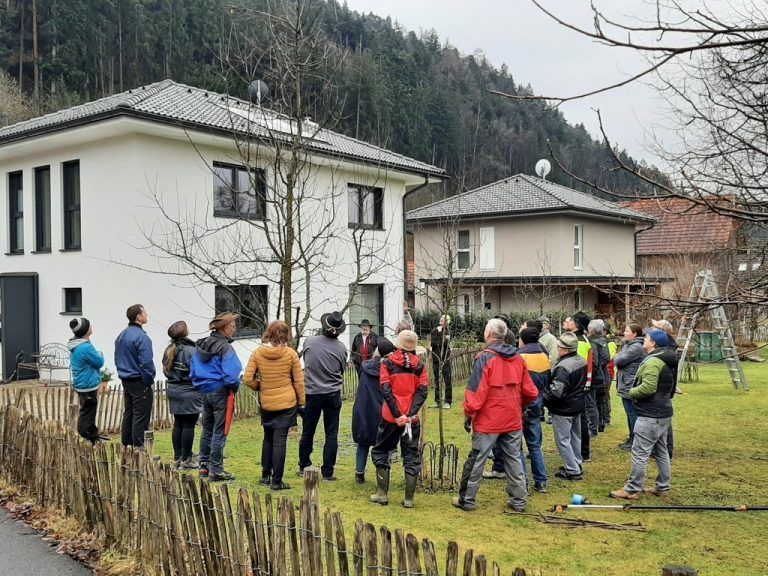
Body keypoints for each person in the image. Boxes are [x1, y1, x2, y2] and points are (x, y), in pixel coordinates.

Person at [452, 319, 538, 512]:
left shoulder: (485, 358)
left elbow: (475, 392)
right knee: (514, 459)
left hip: (488, 421)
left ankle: (467, 500)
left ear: (488, 334)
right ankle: (519, 501)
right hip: (512, 418)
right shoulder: (518, 358)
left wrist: (468, 413)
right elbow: (530, 391)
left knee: (477, 460)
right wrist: (519, 405)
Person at [610, 329, 676, 500]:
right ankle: (663, 487)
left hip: (650, 414)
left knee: (640, 452)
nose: (643, 339)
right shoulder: (666, 358)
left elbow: (648, 387)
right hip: (663, 412)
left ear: (653, 343)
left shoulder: (653, 362)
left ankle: (632, 489)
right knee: (661, 451)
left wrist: (631, 392)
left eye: (646, 338)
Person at [243, 320, 305, 490]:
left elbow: (247, 379)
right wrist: (301, 402)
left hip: (267, 402)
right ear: (286, 334)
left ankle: (265, 475)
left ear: (268, 333)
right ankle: (277, 481)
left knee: (268, 438)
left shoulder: (257, 353)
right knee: (280, 442)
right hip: (287, 402)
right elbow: (299, 382)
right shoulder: (290, 354)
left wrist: (260, 386)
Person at [369, 330, 429, 508]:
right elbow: (423, 391)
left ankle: (382, 494)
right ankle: (409, 499)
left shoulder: (387, 363)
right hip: (411, 419)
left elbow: (385, 390)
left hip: (390, 417)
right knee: (411, 455)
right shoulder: (420, 366)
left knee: (381, 451)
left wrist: (397, 415)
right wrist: (409, 414)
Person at [190, 312, 243, 482]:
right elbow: (231, 374)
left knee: (207, 429)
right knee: (220, 430)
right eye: (233, 326)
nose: (234, 329)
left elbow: (193, 368)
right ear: (225, 328)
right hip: (220, 391)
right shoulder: (225, 347)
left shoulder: (201, 345)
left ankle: (204, 466)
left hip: (204, 391)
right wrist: (233, 387)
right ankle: (216, 469)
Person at [299, 311, 348, 481]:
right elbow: (342, 369)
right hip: (332, 393)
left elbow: (307, 362)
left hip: (312, 392)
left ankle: (304, 465)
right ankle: (328, 471)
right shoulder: (341, 348)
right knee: (331, 433)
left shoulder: (309, 342)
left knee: (308, 431)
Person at [543, 332, 587, 481]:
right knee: (575, 438)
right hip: (577, 405)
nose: (557, 348)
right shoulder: (581, 360)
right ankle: (576, 463)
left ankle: (572, 470)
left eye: (559, 347)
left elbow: (557, 392)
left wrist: (544, 398)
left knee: (562, 440)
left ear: (566, 350)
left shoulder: (563, 367)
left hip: (563, 409)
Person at [352, 338, 396, 483]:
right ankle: (382, 476)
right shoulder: (391, 369)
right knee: (383, 445)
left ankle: (359, 473)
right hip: (383, 411)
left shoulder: (365, 368)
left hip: (365, 410)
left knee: (363, 442)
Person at [163, 321, 202, 469]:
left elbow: (166, 369)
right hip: (189, 391)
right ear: (185, 332)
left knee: (178, 423)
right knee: (189, 425)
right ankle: (186, 458)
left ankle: (178, 456)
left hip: (174, 390)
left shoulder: (169, 350)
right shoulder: (191, 351)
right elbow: (197, 371)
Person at [115, 304, 155, 447]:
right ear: (138, 316)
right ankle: (139, 447)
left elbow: (117, 358)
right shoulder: (141, 337)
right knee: (140, 415)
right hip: (139, 380)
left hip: (126, 379)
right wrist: (148, 380)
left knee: (129, 412)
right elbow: (146, 362)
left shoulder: (121, 335)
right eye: (144, 313)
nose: (147, 315)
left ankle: (126, 445)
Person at [516, 327, 550, 493]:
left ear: (523, 339)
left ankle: (523, 482)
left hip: (522, 405)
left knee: (518, 447)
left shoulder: (520, 356)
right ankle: (541, 481)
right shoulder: (544, 356)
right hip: (538, 404)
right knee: (535, 446)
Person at [67, 317, 106, 444]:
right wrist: (100, 355)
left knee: (89, 410)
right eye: (89, 325)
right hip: (87, 384)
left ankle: (93, 436)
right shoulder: (85, 347)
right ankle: (85, 436)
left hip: (82, 383)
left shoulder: (78, 344)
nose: (91, 326)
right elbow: (99, 362)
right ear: (85, 330)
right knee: (87, 412)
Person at [564, 312, 593, 461]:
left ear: (577, 324)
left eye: (571, 320)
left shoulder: (579, 342)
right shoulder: (582, 339)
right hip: (581, 384)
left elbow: (578, 365)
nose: (568, 321)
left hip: (577, 386)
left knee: (580, 419)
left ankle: (583, 452)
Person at [614, 324, 646, 450]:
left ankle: (635, 440)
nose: (624, 333)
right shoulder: (629, 345)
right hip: (626, 383)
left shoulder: (636, 347)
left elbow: (618, 361)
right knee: (630, 414)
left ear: (635, 333)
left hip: (630, 384)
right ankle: (631, 437)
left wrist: (618, 356)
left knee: (633, 414)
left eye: (627, 331)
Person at [586, 319, 611, 434]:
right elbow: (606, 358)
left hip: (596, 376)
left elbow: (595, 362)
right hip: (603, 375)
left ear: (591, 329)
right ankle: (601, 424)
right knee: (600, 402)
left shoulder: (593, 343)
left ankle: (593, 428)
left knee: (592, 402)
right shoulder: (603, 341)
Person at [430, 315, 453, 408]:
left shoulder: (448, 331)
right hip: (436, 358)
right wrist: (438, 334)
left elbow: (445, 343)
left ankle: (448, 401)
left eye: (444, 319)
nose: (441, 320)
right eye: (441, 318)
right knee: (437, 380)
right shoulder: (434, 330)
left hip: (445, 358)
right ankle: (438, 401)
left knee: (447, 380)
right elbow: (433, 343)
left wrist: (440, 333)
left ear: (447, 322)